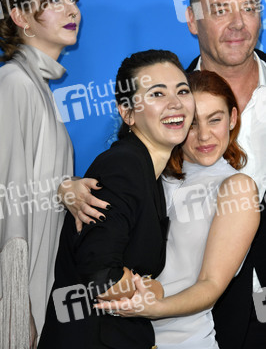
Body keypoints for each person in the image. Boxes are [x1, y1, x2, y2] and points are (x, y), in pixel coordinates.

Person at [38, 49, 195, 349]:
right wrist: (153, 289)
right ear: (127, 113)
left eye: (182, 90)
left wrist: (148, 288)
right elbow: (101, 277)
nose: (175, 103)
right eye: (157, 94)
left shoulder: (148, 172)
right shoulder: (123, 167)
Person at [95, 69, 260, 349]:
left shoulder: (237, 187)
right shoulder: (151, 173)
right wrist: (69, 187)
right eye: (192, 123)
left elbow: (210, 286)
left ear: (232, 119)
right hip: (121, 336)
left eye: (215, 119)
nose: (204, 135)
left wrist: (151, 308)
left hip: (186, 339)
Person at [0, 0, 108, 348]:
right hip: (20, 293)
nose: (72, 9)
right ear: (20, 15)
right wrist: (17, 310)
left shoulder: (36, 86)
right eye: (53, 0)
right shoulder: (14, 83)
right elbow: (8, 202)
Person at [185, 0, 266, 348]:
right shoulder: (165, 105)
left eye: (250, 8)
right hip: (201, 320)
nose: (239, 23)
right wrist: (70, 189)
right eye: (221, 10)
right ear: (191, 19)